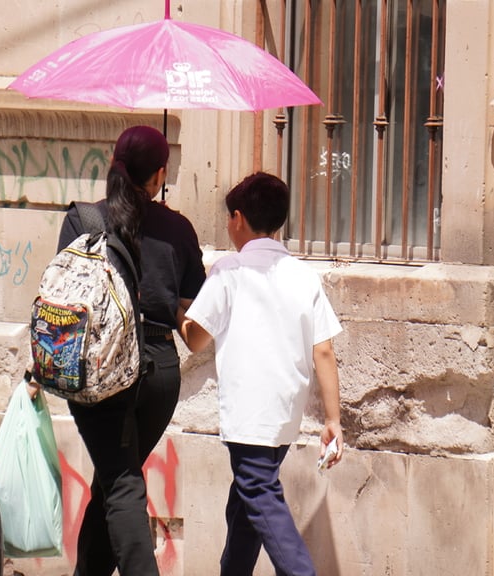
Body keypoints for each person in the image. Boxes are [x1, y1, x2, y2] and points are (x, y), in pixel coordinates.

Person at [56, 125, 207, 576]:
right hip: (159, 370)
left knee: (120, 483)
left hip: (100, 369)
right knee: (114, 479)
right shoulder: (179, 229)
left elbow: (64, 300)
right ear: (160, 175)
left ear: (113, 164)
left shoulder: (83, 220)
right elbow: (193, 314)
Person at [177, 172, 344, 576]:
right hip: (285, 412)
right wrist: (333, 420)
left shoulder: (229, 270)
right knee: (246, 501)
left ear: (238, 218)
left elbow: (195, 339)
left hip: (249, 411)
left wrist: (175, 310)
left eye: (228, 218)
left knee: (258, 492)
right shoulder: (303, 275)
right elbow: (323, 350)